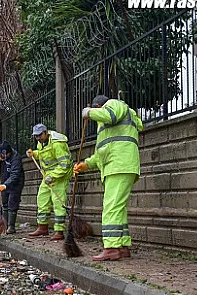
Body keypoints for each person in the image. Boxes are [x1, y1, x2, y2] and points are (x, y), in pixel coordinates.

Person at [74, 95, 143, 261]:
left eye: (97, 110)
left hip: (118, 165)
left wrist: (89, 112)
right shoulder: (111, 127)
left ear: (100, 106)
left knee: (111, 208)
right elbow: (103, 152)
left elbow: (109, 115)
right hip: (120, 164)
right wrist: (87, 164)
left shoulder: (115, 105)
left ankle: (111, 247)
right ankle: (123, 246)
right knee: (118, 209)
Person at [26, 124, 72, 240]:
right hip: (47, 176)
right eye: (36, 136)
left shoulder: (57, 143)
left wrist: (53, 176)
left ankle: (59, 231)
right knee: (42, 200)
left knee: (58, 203)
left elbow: (65, 164)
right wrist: (34, 154)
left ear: (46, 132)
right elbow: (44, 154)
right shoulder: (41, 143)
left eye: (40, 135)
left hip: (59, 176)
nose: (38, 138)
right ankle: (42, 227)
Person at [0, 140, 24, 234]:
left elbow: (15, 175)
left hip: (15, 183)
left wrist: (5, 185)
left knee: (12, 203)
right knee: (5, 203)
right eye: (3, 155)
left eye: (6, 155)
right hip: (4, 180)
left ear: (9, 152)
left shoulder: (16, 158)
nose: (5, 156)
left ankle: (11, 226)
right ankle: (4, 225)